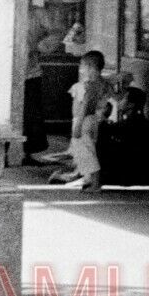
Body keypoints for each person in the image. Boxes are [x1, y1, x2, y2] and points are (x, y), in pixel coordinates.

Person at [50, 49, 109, 191]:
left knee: (85, 153)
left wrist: (78, 125)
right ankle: (87, 178)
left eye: (82, 66)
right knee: (88, 151)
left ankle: (95, 183)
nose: (81, 69)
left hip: (83, 121)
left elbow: (85, 106)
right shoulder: (103, 83)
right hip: (93, 121)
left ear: (89, 67)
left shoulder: (88, 86)